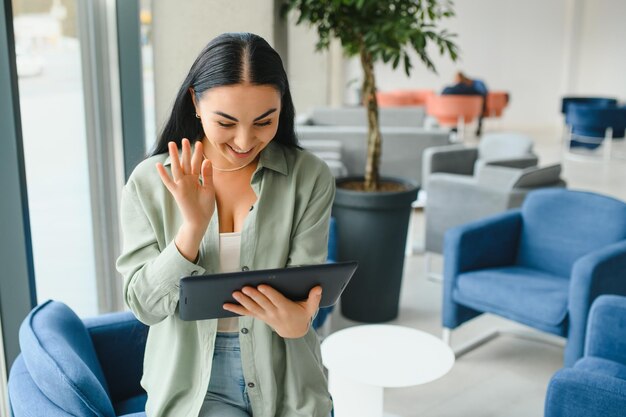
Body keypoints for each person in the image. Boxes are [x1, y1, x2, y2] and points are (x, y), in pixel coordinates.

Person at [116, 32, 335, 417]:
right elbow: (145, 307)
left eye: (265, 121)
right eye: (227, 122)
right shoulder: (149, 182)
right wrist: (192, 230)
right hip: (191, 382)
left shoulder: (309, 176)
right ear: (196, 102)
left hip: (288, 376)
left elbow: (305, 287)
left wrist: (300, 320)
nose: (245, 140)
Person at [441, 71, 488, 136]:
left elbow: (444, 92)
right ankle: (455, 128)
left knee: (456, 109)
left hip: (460, 111)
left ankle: (455, 128)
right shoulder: (473, 89)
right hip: (469, 110)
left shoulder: (454, 89)